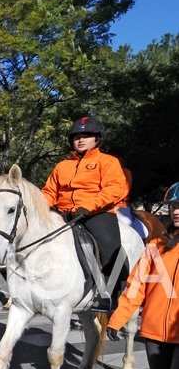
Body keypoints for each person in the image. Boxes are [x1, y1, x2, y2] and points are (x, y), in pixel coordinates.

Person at [108, 182, 179, 369]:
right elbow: (137, 285)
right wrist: (118, 319)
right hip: (154, 332)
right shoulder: (156, 246)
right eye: (174, 205)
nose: (176, 210)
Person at [41, 116, 129, 311]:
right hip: (63, 213)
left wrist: (89, 205)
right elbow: (49, 192)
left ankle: (109, 293)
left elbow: (115, 188)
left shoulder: (107, 161)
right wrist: (38, 206)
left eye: (86, 136)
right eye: (77, 137)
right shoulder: (62, 166)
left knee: (109, 247)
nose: (80, 140)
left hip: (96, 213)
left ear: (97, 139)